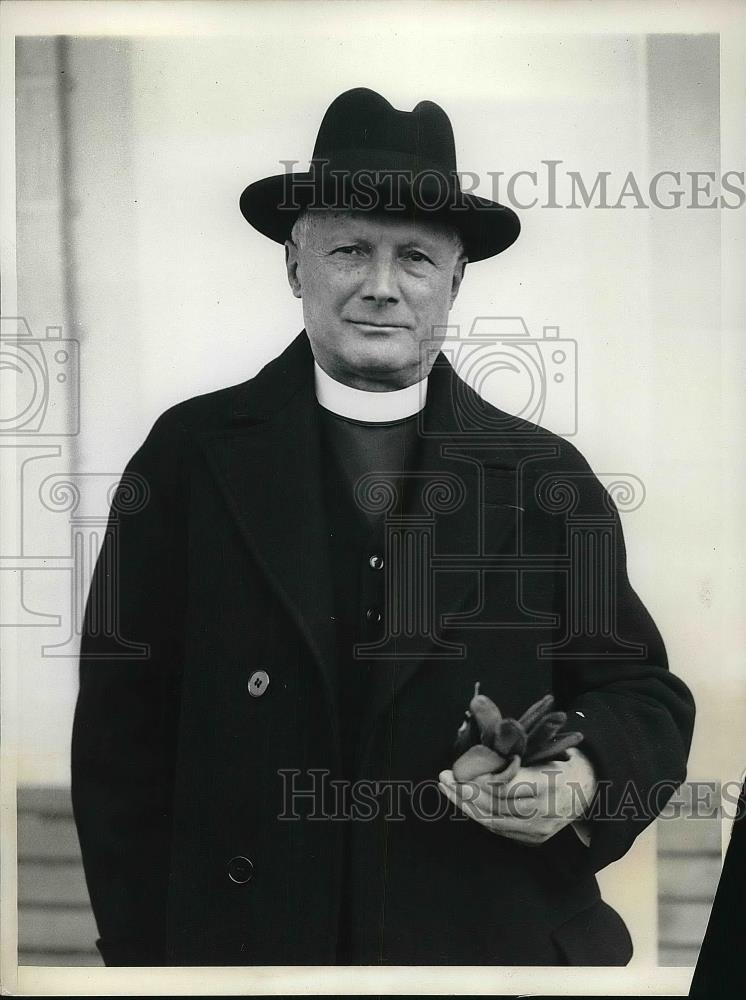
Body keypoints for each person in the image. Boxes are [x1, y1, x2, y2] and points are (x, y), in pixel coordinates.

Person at [71, 88, 696, 967]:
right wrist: (145, 966)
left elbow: (644, 695)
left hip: (486, 952)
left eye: (413, 257)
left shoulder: (546, 478)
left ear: (455, 278)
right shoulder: (189, 457)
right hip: (250, 957)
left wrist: (581, 779)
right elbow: (118, 736)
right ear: (296, 265)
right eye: (350, 250)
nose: (380, 286)